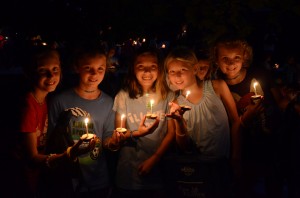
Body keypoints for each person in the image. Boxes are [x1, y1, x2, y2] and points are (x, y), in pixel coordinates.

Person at [12, 46, 91, 198]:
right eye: (43, 70)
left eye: (55, 69)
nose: (51, 75)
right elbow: (32, 158)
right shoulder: (28, 107)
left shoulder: (45, 99)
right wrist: (68, 154)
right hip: (21, 179)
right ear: (30, 73)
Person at [210, 34, 281, 197]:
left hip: (269, 145)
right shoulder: (215, 86)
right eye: (225, 58)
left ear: (245, 56)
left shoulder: (260, 73)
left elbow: (279, 101)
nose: (231, 63)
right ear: (216, 59)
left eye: (236, 57)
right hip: (240, 151)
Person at [164, 46, 240, 198]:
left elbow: (236, 122)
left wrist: (236, 156)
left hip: (223, 164)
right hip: (198, 171)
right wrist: (179, 122)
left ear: (195, 69)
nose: (177, 76)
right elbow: (184, 147)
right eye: (172, 72)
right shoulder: (174, 103)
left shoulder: (217, 87)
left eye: (183, 70)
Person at [47, 43, 115, 198]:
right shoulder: (60, 101)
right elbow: (50, 139)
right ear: (77, 68)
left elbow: (107, 138)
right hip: (68, 179)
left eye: (100, 69)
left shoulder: (109, 102)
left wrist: (114, 142)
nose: (94, 74)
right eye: (88, 68)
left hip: (98, 179)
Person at [110, 47, 175, 198]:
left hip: (159, 172)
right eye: (141, 67)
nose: (147, 72)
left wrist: (155, 159)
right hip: (129, 175)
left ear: (159, 69)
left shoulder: (168, 96)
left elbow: (171, 133)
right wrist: (133, 134)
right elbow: (119, 133)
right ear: (133, 69)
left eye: (152, 67)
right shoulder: (123, 96)